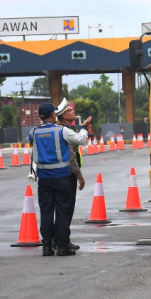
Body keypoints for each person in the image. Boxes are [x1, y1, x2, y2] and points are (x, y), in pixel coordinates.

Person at [29, 102, 87, 257]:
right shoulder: (62, 131)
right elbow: (81, 140)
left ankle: (47, 246)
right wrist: (84, 129)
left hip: (43, 179)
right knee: (62, 210)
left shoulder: (33, 132)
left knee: (46, 211)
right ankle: (62, 246)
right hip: (61, 177)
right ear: (53, 115)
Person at [55, 101, 91, 249]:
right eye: (70, 110)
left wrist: (82, 126)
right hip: (67, 174)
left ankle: (57, 240)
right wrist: (79, 175)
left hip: (57, 174)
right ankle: (62, 241)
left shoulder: (63, 129)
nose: (73, 112)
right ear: (64, 115)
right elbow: (71, 157)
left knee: (60, 209)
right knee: (66, 209)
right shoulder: (64, 131)